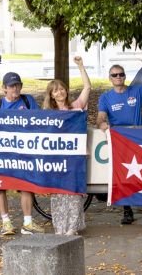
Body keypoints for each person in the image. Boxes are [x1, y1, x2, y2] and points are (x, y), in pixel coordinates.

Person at [96, 58, 142, 225]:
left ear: (124, 76)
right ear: (110, 78)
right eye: (115, 75)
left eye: (121, 74)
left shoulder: (136, 90)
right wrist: (102, 123)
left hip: (138, 139)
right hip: (119, 141)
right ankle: (127, 211)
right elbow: (100, 117)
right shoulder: (106, 97)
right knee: (122, 177)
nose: (118, 77)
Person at [0, 72, 42, 236]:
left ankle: (27, 223)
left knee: (26, 185)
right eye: (11, 86)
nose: (15, 88)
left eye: (18, 85)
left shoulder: (28, 100)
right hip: (2, 154)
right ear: (4, 88)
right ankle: (6, 222)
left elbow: (39, 120)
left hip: (23, 152)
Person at [43, 56, 91, 235]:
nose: (59, 92)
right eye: (55, 90)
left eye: (61, 89)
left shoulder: (76, 107)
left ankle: (73, 227)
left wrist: (80, 66)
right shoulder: (47, 114)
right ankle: (60, 226)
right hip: (56, 158)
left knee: (74, 191)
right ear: (51, 95)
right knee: (58, 193)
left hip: (76, 156)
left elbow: (87, 87)